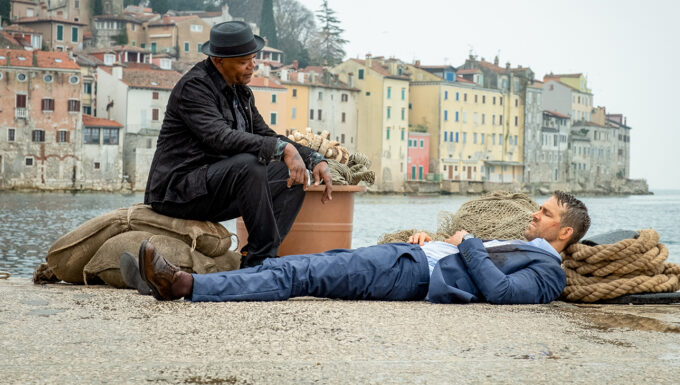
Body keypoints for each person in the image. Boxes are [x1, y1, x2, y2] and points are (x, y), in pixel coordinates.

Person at [139, 191, 590, 304]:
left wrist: (467, 243)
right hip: (413, 257)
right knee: (296, 266)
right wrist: (432, 242)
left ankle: (184, 285)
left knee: (298, 274)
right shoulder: (528, 245)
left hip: (410, 275)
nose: (535, 214)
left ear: (564, 234)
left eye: (546, 214)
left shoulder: (549, 272)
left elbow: (503, 295)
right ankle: (193, 283)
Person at [143, 21, 333, 268]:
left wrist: (313, 158)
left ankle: (258, 261)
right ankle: (262, 261)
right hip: (179, 190)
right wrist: (285, 149)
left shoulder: (241, 92)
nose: (252, 66)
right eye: (244, 61)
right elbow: (220, 137)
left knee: (292, 174)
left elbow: (265, 134)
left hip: (215, 186)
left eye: (253, 59)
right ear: (219, 61)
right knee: (249, 164)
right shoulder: (194, 86)